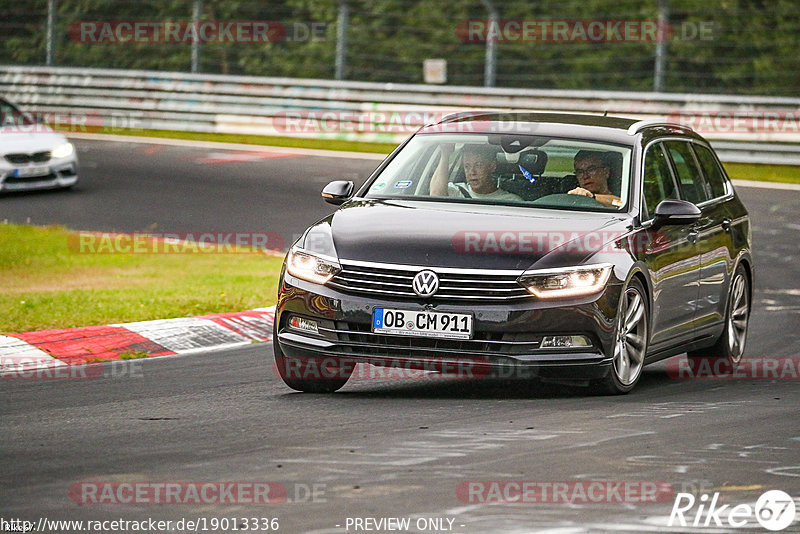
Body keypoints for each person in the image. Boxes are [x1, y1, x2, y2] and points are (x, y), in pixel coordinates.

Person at [430, 143, 522, 202]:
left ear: (492, 166)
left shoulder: (510, 201)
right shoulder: (456, 191)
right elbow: (435, 195)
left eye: (478, 165)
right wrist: (445, 154)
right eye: (467, 166)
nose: (472, 172)